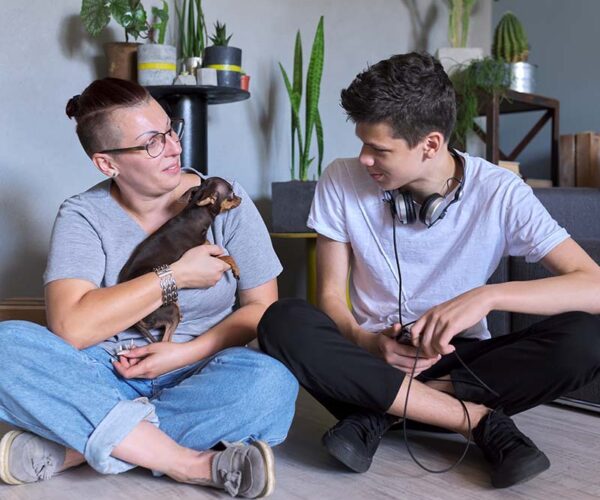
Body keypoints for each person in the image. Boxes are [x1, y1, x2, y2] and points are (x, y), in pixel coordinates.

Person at [257, 52, 600, 489]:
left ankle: (377, 415)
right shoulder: (340, 179)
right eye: (361, 143)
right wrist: (366, 340)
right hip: (368, 360)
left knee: (589, 339)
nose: (364, 159)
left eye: (379, 149)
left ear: (431, 145)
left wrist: (487, 296)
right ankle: (476, 421)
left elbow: (594, 285)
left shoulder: (500, 193)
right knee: (281, 319)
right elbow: (328, 298)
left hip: (460, 367)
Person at [0, 78, 298, 498]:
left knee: (272, 384)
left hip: (201, 369)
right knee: (5, 346)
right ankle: (191, 463)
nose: (175, 147)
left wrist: (185, 351)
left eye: (171, 130)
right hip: (105, 374)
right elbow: (71, 327)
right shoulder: (83, 215)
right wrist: (174, 276)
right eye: (151, 143)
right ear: (108, 164)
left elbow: (262, 309)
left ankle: (76, 449)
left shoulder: (224, 200)